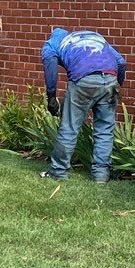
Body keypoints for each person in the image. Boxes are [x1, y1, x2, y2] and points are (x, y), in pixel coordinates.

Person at [41, 27, 126, 183]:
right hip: (110, 78)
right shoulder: (93, 36)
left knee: (69, 127)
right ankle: (101, 176)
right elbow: (121, 61)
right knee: (105, 129)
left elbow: (50, 64)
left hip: (83, 80)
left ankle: (58, 172)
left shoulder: (52, 44)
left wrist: (51, 97)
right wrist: (117, 84)